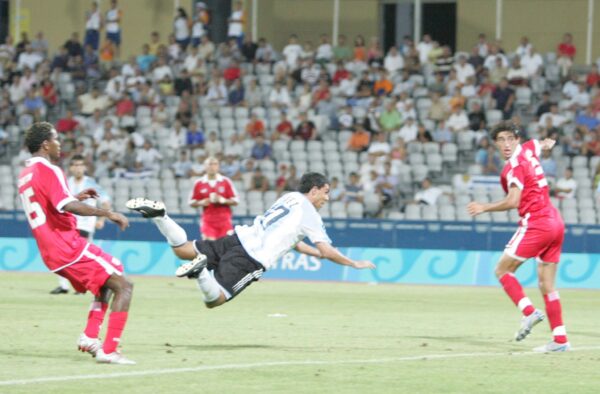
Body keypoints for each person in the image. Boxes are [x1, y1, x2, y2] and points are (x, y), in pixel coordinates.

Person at [126, 173, 375, 308]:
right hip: (251, 258)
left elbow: (294, 242)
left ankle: (161, 216)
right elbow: (327, 249)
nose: (327, 198)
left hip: (239, 238)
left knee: (182, 250)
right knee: (215, 299)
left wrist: (316, 254)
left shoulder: (289, 198)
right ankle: (201, 272)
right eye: (326, 192)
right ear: (314, 190)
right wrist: (353, 263)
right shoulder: (309, 212)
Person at [17, 122, 134, 364]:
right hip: (66, 244)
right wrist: (107, 213)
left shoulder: (25, 173)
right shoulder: (50, 170)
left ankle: (90, 337)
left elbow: (51, 202)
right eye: (56, 139)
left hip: (50, 249)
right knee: (124, 285)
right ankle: (109, 350)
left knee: (108, 279)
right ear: (45, 144)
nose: (60, 144)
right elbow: (66, 206)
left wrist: (76, 197)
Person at [467, 121, 570, 353]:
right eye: (500, 140)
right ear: (495, 143)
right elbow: (541, 144)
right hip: (556, 222)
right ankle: (561, 340)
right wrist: (548, 143)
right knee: (547, 285)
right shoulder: (528, 148)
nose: (506, 144)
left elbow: (513, 201)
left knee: (502, 270)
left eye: (510, 139)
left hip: (537, 223)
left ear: (516, 139)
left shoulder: (514, 167)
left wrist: (484, 207)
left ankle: (529, 312)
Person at [50, 155, 112, 295]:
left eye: (80, 165)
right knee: (62, 254)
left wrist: (101, 219)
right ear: (71, 167)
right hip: (67, 224)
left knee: (80, 255)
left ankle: (83, 284)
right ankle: (64, 286)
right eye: (75, 165)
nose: (78, 168)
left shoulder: (92, 184)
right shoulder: (66, 183)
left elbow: (106, 201)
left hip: (85, 224)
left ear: (85, 167)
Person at [189, 157, 239, 240]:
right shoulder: (199, 183)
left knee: (224, 248)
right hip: (208, 220)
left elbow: (236, 201)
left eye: (215, 164)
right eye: (210, 164)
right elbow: (191, 202)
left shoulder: (226, 181)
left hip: (224, 221)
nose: (212, 167)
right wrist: (201, 202)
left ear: (218, 166)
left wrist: (223, 200)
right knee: (209, 246)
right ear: (205, 167)